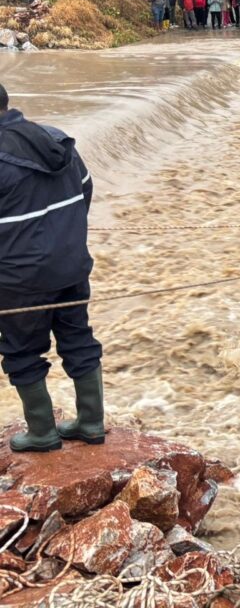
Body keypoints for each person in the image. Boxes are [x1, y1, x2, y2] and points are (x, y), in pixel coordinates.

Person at [0, 83, 105, 452]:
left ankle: (42, 432)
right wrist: (64, 239)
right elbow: (86, 191)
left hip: (18, 280)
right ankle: (91, 422)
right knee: (78, 337)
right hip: (72, 265)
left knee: (21, 351)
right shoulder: (56, 139)